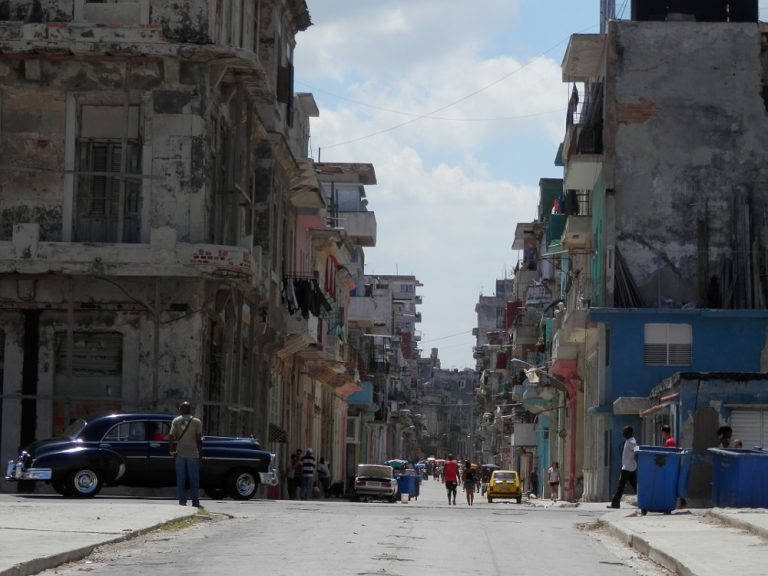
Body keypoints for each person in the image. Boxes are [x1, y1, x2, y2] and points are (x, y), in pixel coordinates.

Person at [169, 401, 203, 508]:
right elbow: (198, 439)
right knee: (194, 479)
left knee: (181, 479)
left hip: (180, 453)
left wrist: (171, 450)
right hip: (193, 454)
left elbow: (171, 437)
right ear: (190, 409)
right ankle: (195, 502)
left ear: (181, 409)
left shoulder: (176, 420)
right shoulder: (197, 422)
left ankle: (182, 502)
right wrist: (200, 453)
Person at [608, 425, 638, 509]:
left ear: (629, 432)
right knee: (635, 486)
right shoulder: (629, 440)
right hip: (630, 467)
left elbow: (635, 450)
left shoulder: (631, 441)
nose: (623, 433)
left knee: (620, 486)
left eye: (625, 431)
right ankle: (645, 501)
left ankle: (615, 504)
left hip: (627, 468)